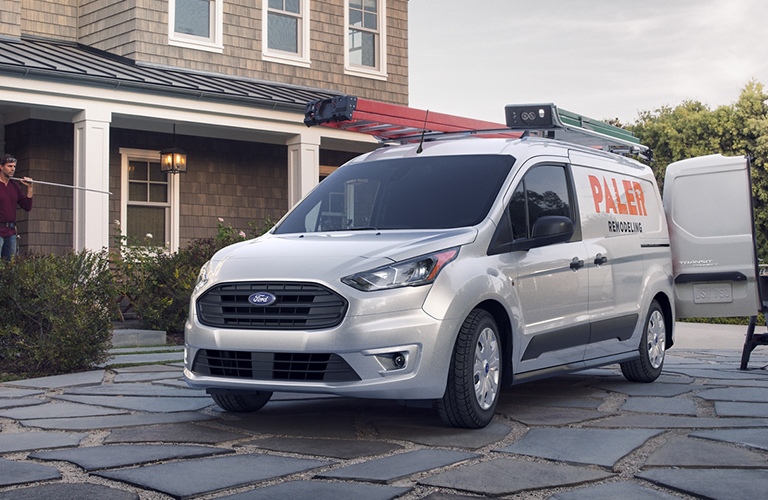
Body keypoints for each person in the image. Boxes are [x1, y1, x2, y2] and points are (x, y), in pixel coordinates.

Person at [0, 154, 33, 260]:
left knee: (10, 268)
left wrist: (30, 188)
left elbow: (27, 206)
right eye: (9, 166)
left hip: (10, 232)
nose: (12, 169)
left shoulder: (14, 186)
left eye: (14, 166)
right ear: (1, 167)